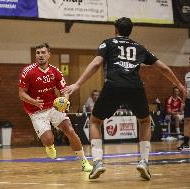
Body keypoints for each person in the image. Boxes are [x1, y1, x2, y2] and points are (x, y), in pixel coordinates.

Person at [61, 17, 186, 181]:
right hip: (135, 86)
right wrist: (179, 84)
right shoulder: (139, 47)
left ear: (115, 30)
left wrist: (77, 84)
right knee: (145, 121)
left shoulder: (108, 43)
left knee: (95, 121)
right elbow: (162, 67)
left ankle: (98, 162)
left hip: (113, 85)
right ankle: (144, 161)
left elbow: (96, 63)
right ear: (130, 30)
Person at [18, 43, 92, 172]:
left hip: (53, 107)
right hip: (36, 110)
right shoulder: (28, 71)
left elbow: (64, 91)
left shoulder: (55, 71)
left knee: (70, 130)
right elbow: (21, 93)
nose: (40, 55)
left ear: (49, 54)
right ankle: (49, 146)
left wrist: (65, 102)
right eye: (38, 53)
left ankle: (84, 161)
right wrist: (33, 101)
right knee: (48, 139)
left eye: (43, 52)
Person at [178, 57, 190, 150]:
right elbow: (185, 90)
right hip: (188, 100)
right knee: (186, 121)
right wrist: (183, 102)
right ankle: (185, 142)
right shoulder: (187, 75)